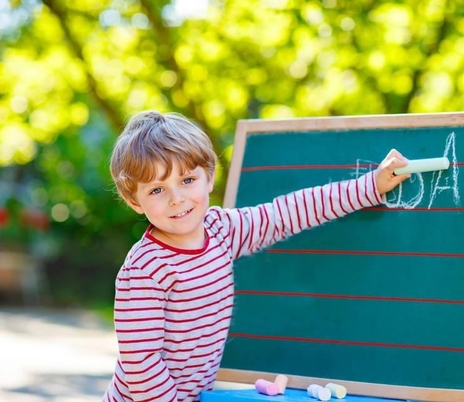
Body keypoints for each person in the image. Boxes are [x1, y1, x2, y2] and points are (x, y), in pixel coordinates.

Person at [103, 110, 410, 402]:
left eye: (187, 180)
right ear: (134, 200)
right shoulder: (145, 269)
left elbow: (287, 213)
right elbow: (142, 363)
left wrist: (369, 186)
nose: (176, 199)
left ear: (208, 178)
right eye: (157, 190)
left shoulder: (221, 231)